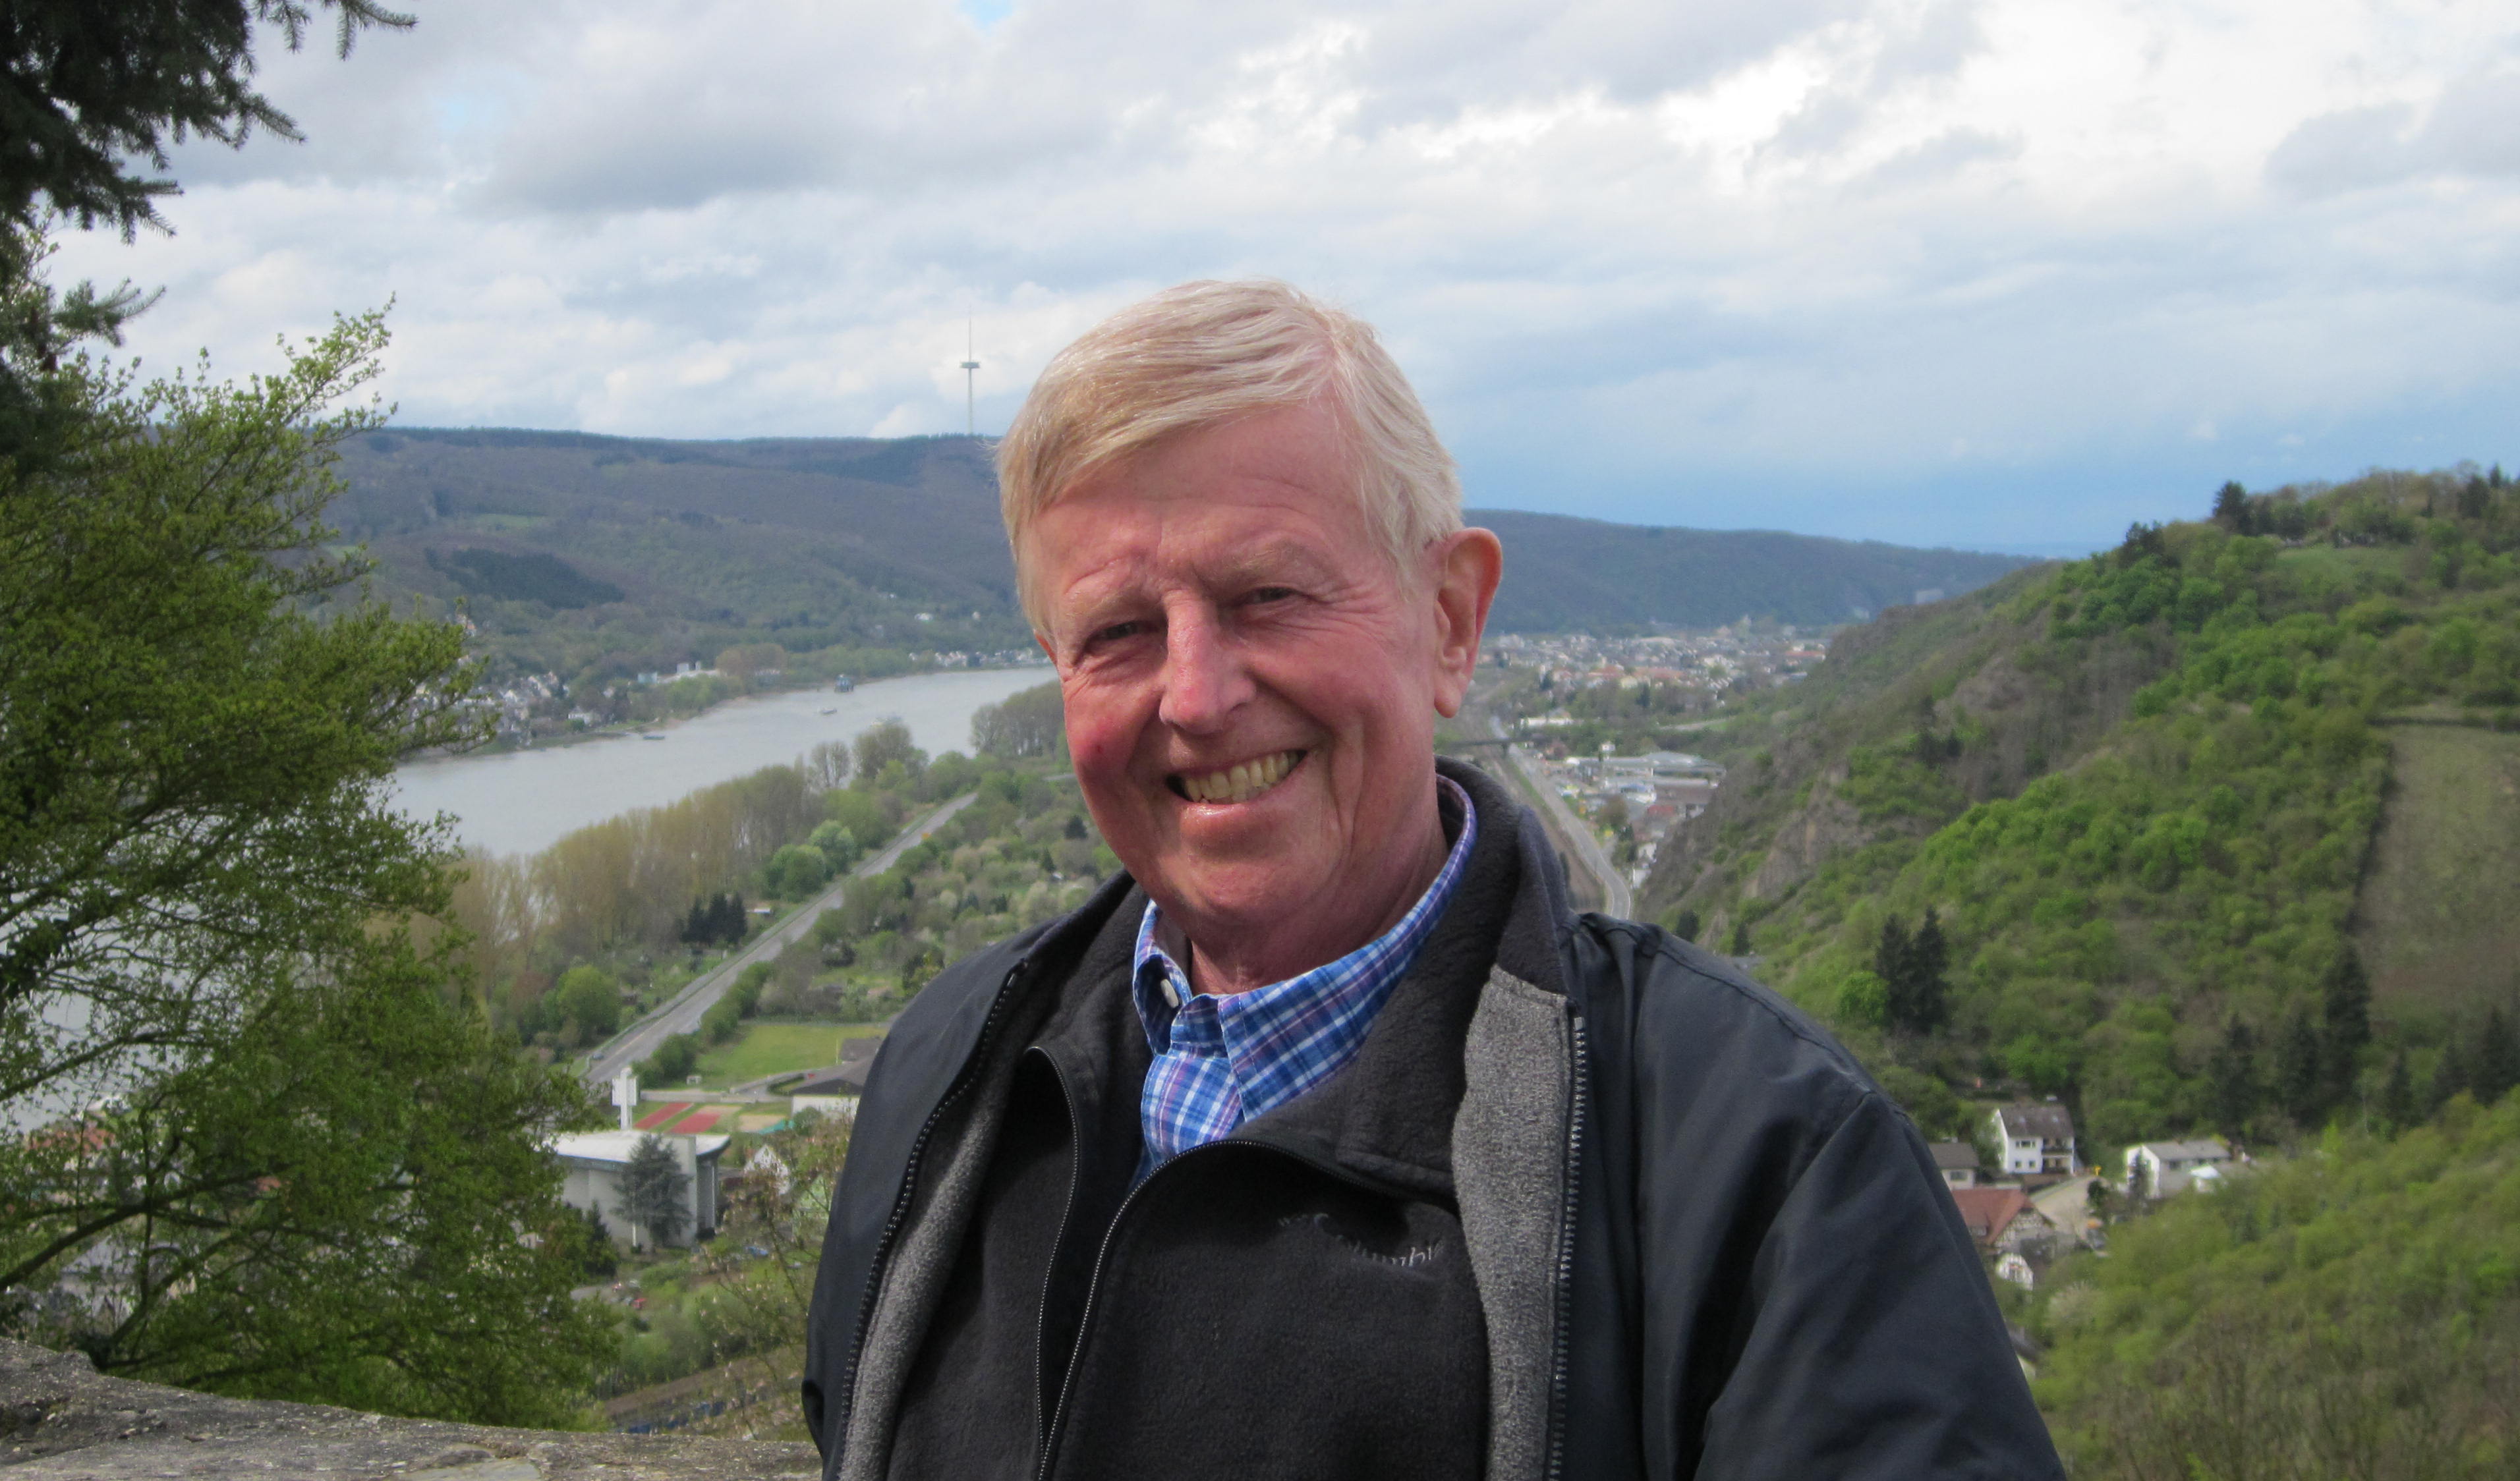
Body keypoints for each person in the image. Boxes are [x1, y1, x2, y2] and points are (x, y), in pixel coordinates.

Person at [803, 281, 2062, 1480]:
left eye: (1270, 595)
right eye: (1119, 632)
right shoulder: (948, 1078)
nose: (1195, 695)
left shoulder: (1764, 1164)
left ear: (1450, 621)